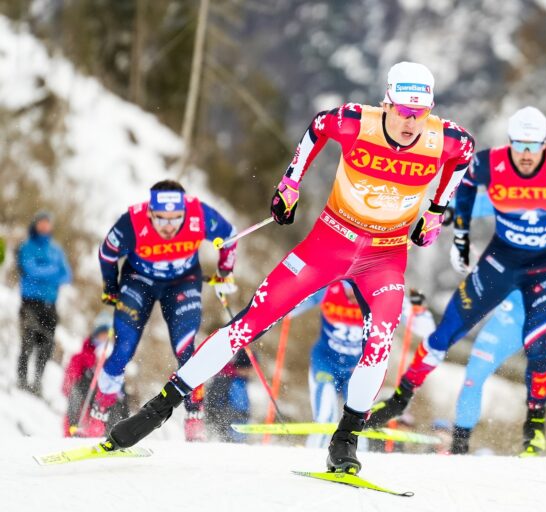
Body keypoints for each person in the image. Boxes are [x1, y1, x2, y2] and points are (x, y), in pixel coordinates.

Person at [106, 61, 474, 474]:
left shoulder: (446, 139)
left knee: (381, 341)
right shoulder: (356, 122)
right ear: (386, 103)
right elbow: (318, 127)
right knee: (249, 323)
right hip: (329, 243)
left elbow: (464, 154)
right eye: (404, 111)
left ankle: (345, 439)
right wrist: (290, 184)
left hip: (383, 258)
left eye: (420, 113)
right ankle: (159, 409)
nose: (411, 123)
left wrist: (437, 209)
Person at [368, 106, 546, 457]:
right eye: (520, 146)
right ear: (510, 143)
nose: (526, 155)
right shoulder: (491, 165)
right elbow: (467, 188)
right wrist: (460, 232)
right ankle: (402, 401)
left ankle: (536, 432)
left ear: (545, 145)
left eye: (534, 147)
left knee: (539, 348)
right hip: (502, 262)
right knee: (447, 335)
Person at [77, 180, 239, 441]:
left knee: (186, 348)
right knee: (123, 348)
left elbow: (230, 236)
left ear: (184, 212)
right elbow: (107, 253)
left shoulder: (199, 215)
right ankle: (98, 414)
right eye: (160, 219)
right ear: (150, 212)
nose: (168, 226)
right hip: (138, 281)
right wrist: (110, 286)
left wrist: (224, 274)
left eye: (175, 219)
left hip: (182, 282)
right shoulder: (133, 220)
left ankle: (194, 417)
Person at [449, 196, 546, 457]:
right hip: (513, 315)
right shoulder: (508, 193)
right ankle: (458, 446)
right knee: (474, 375)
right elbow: (465, 203)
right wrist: (447, 211)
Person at [287, 283, 435, 448]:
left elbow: (426, 330)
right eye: (349, 288)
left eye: (357, 290)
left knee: (358, 420)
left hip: (356, 368)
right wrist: (289, 291)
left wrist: (419, 310)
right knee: (326, 414)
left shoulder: (379, 296)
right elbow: (288, 309)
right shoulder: (328, 289)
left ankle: (352, 459)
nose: (353, 296)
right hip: (325, 362)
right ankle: (314, 455)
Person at [16, 211, 72, 395]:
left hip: (50, 304)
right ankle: (22, 378)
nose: (44, 226)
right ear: (35, 224)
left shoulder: (56, 250)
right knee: (28, 339)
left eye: (48, 223)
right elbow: (30, 270)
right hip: (30, 302)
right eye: (42, 223)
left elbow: (67, 275)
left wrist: (46, 273)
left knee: (47, 344)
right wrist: (52, 272)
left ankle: (37, 381)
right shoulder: (28, 246)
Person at [62, 312, 130, 436]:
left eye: (108, 337)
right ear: (95, 336)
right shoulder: (82, 356)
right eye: (101, 336)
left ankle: (116, 435)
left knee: (119, 396)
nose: (104, 340)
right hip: (85, 398)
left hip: (106, 401)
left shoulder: (115, 359)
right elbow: (68, 385)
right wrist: (89, 370)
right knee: (78, 391)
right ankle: (75, 431)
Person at [204, 349, 252, 443]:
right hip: (229, 422)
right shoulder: (231, 381)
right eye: (248, 369)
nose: (250, 372)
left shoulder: (238, 380)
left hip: (231, 421)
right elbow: (214, 402)